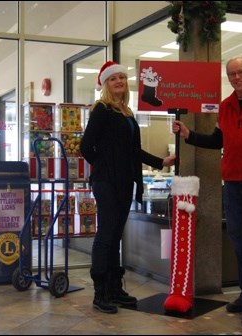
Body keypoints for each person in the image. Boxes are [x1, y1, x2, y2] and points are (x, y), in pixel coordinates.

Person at [172, 56, 242, 326]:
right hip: (233, 184)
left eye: (241, 72)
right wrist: (190, 135)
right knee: (239, 241)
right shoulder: (225, 106)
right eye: (232, 74)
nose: (237, 77)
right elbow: (217, 140)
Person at [81, 60, 175, 314]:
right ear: (106, 84)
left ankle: (114, 287)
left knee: (115, 237)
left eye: (122, 77)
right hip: (106, 183)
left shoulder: (128, 114)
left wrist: (160, 162)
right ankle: (101, 291)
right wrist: (103, 167)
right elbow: (85, 147)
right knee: (106, 236)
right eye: (114, 79)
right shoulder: (102, 110)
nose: (119, 81)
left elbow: (134, 151)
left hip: (124, 183)